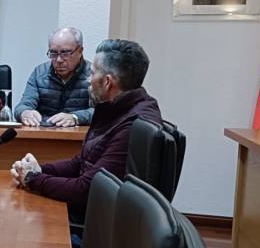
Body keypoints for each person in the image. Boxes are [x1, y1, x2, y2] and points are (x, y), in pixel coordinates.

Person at [11, 39, 161, 223]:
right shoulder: (116, 108)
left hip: (95, 224)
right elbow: (82, 162)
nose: (89, 79)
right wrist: (39, 170)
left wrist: (34, 179)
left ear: (107, 82)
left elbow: (85, 189)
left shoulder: (132, 124)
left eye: (93, 73)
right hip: (91, 214)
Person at [15, 27, 93, 127]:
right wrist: (25, 112)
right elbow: (23, 105)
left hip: (78, 134)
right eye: (53, 53)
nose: (59, 60)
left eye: (65, 53)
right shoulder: (40, 73)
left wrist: (76, 117)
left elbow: (102, 112)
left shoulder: (94, 74)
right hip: (43, 131)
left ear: (80, 51)